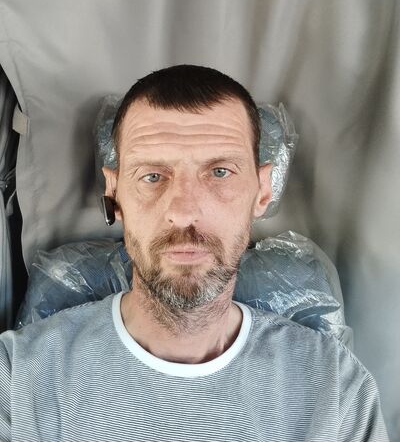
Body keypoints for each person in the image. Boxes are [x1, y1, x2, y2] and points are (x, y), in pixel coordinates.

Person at [0, 65, 389, 442]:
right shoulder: (17, 378)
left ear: (262, 191)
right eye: (153, 176)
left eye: (220, 172)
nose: (185, 211)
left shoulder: (336, 387)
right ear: (114, 194)